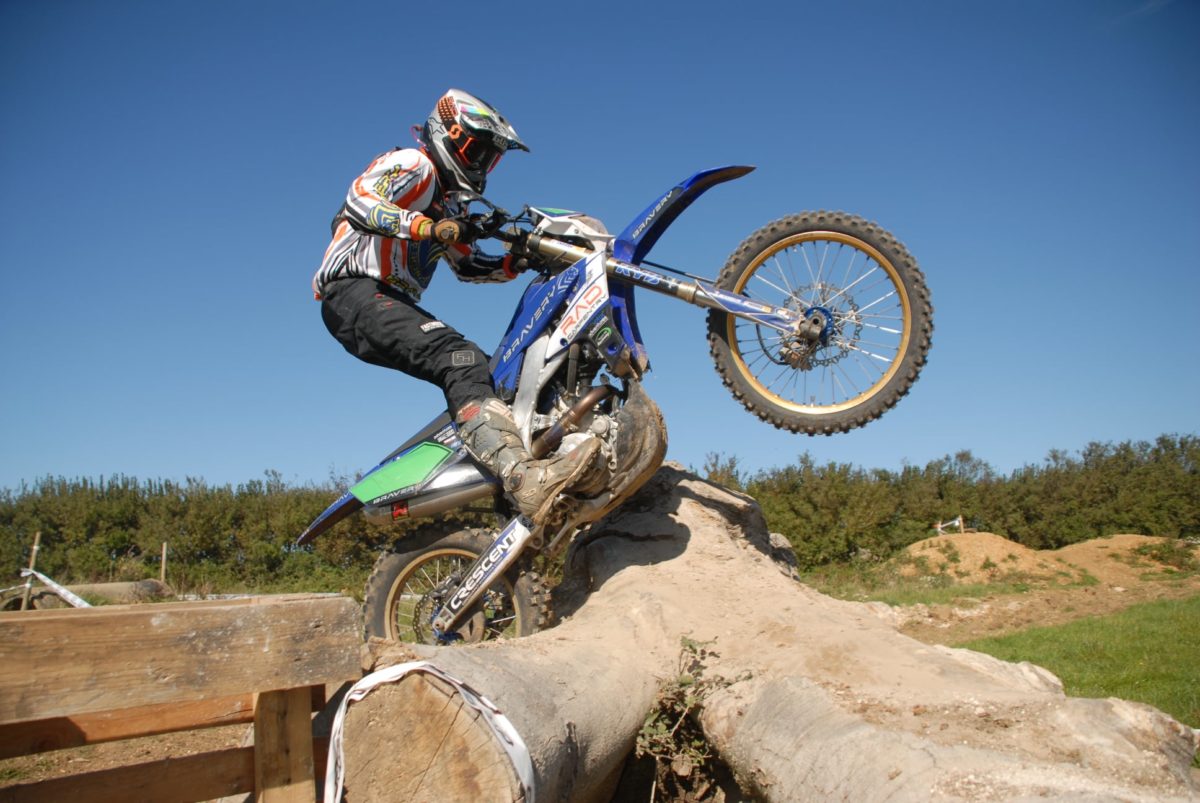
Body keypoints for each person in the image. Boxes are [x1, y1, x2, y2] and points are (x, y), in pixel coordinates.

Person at [313, 88, 600, 525]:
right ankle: (521, 479)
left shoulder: (446, 203)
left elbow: (469, 266)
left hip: (383, 299)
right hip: (352, 293)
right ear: (449, 135)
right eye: (477, 151)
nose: (482, 164)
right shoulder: (414, 164)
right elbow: (361, 202)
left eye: (490, 158)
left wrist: (517, 261)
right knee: (461, 360)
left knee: (492, 378)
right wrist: (428, 227)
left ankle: (511, 503)